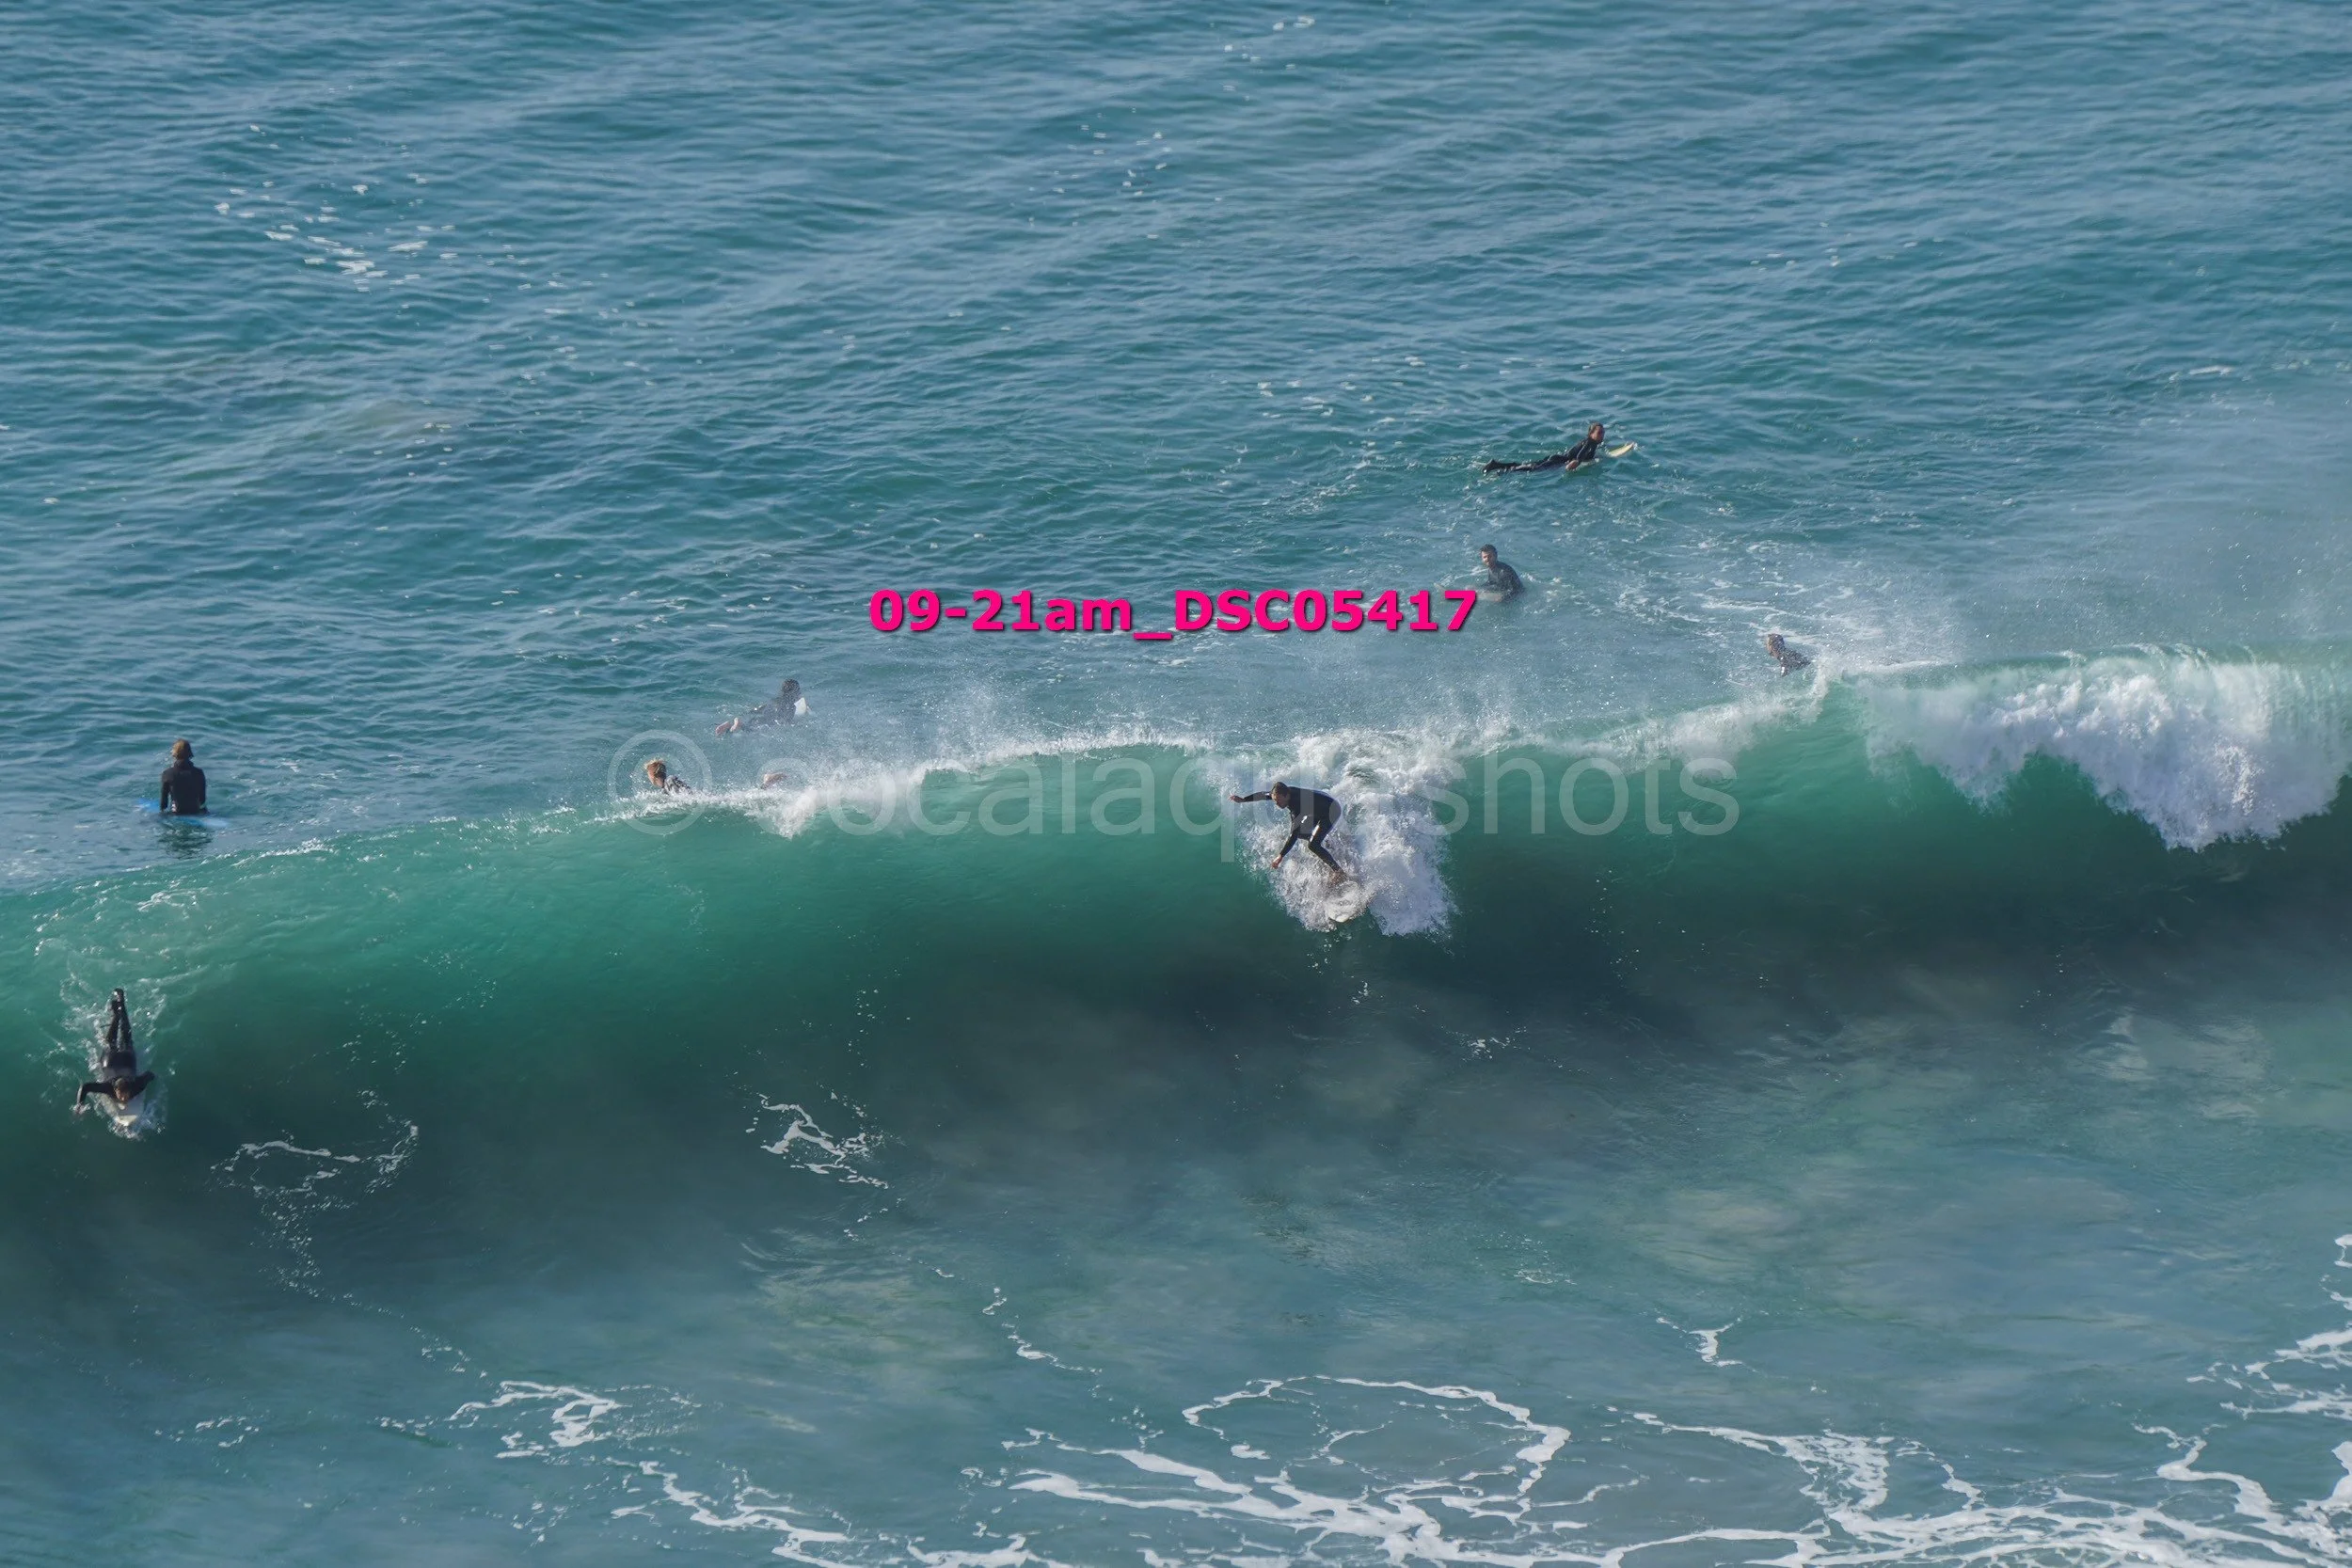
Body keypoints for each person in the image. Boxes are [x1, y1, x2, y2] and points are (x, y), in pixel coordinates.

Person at [1230, 783, 1347, 878]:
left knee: (1312, 845)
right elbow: (1263, 795)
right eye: (1275, 801)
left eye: (1279, 801)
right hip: (1317, 807)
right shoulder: (1280, 793)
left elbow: (1293, 833)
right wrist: (1243, 800)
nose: (1277, 804)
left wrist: (1280, 856)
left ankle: (1338, 871)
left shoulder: (1297, 805)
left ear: (1287, 796)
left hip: (1331, 810)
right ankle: (1325, 843)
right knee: (1303, 834)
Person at [76, 990, 155, 1111]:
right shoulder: (110, 1087)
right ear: (115, 1090)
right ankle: (119, 1006)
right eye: (121, 1096)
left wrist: (79, 1105)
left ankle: (118, 1011)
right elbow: (85, 1087)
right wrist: (79, 1106)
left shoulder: (136, 1086)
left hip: (115, 1059)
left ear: (130, 1090)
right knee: (123, 1037)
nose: (124, 1099)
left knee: (112, 1043)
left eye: (125, 1096)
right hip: (121, 1059)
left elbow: (150, 1075)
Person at [1484, 422, 1607, 474]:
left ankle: (1497, 465)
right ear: (1591, 434)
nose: (1602, 435)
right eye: (1599, 433)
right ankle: (1505, 471)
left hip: (1557, 458)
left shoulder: (1591, 443)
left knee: (1530, 465)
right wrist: (1577, 462)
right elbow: (1581, 454)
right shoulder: (1590, 442)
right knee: (1534, 469)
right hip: (1559, 461)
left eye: (1603, 432)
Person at [716, 680, 807, 736]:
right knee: (750, 732)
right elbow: (787, 722)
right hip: (766, 724)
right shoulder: (791, 707)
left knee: (743, 728)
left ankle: (731, 724)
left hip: (757, 719)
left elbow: (758, 709)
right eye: (798, 690)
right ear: (794, 693)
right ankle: (738, 724)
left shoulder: (773, 700)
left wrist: (749, 711)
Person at [159, 738, 207, 816]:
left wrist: (162, 813)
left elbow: (164, 803)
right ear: (189, 753)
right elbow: (202, 799)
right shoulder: (199, 772)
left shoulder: (167, 773)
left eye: (172, 749)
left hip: (177, 813)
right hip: (195, 811)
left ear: (175, 753)